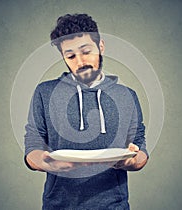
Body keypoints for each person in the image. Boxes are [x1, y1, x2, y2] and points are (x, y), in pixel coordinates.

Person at [24, 13, 148, 210]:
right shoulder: (45, 92)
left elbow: (140, 152)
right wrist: (48, 163)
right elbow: (32, 147)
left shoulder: (127, 96)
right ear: (63, 57)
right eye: (71, 55)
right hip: (59, 206)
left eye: (86, 51)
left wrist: (129, 160)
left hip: (114, 206)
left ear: (101, 47)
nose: (80, 62)